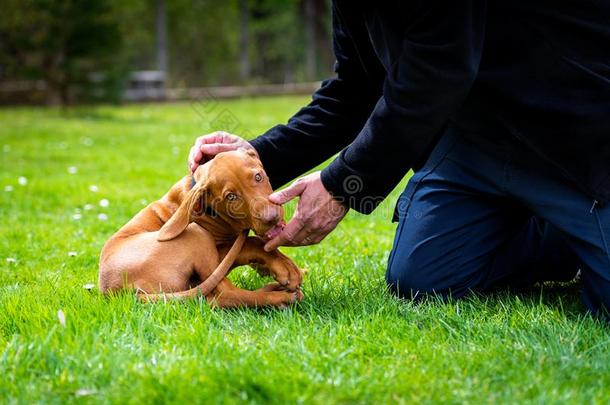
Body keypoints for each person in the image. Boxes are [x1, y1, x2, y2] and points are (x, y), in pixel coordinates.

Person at [188, 1, 610, 318]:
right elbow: (354, 88)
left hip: (569, 138)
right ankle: (564, 242)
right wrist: (253, 159)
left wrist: (341, 185)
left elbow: (439, 70)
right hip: (474, 145)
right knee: (423, 280)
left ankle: (578, 231)